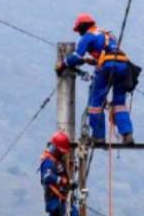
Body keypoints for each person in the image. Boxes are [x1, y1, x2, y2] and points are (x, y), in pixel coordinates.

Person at [58, 13, 136, 144]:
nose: (79, 34)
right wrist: (91, 61)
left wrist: (63, 64)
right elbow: (110, 55)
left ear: (83, 27)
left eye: (79, 30)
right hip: (124, 67)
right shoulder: (107, 35)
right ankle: (127, 134)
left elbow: (76, 57)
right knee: (119, 104)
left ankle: (99, 136)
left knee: (96, 103)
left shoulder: (88, 37)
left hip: (106, 68)